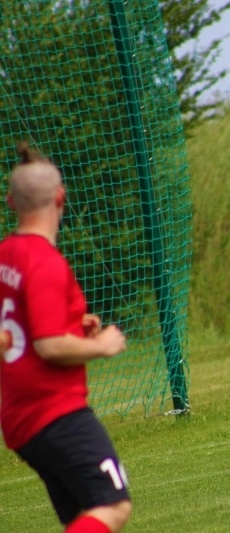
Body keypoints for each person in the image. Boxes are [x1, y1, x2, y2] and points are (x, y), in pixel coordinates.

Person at [0, 142, 132, 532]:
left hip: (21, 415)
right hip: (54, 412)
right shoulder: (44, 263)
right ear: (61, 197)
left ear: (10, 201)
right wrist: (100, 346)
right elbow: (48, 345)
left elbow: (23, 324)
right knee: (113, 505)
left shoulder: (7, 253)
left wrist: (74, 323)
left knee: (80, 518)